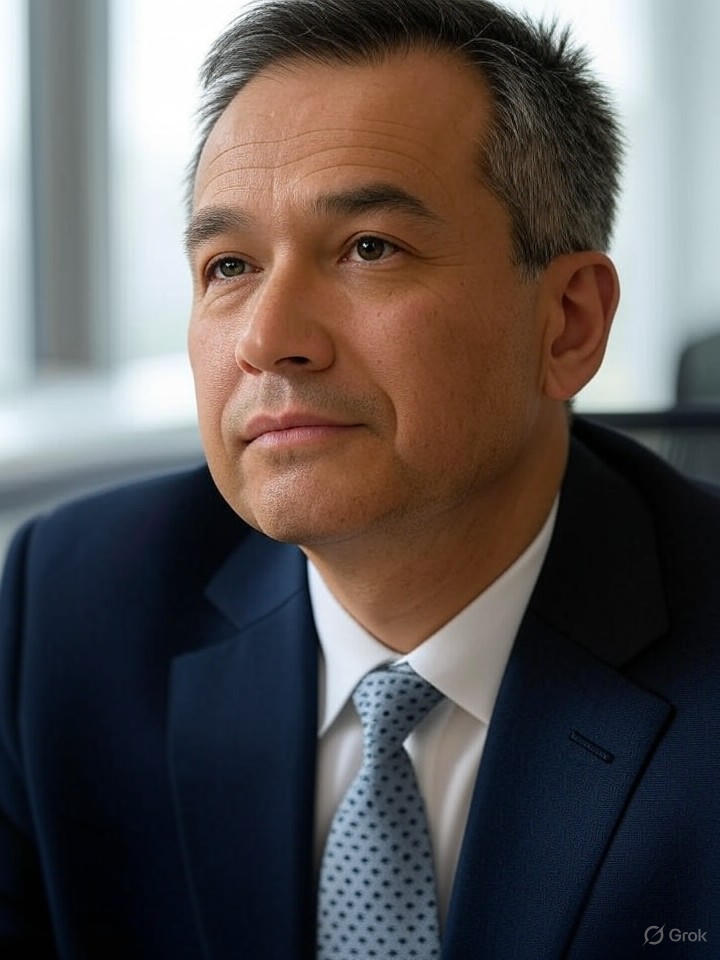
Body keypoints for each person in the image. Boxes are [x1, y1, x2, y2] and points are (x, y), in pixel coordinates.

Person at [1, 0, 718, 957]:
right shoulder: (73, 603)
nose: (268, 339)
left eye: (369, 248)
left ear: (569, 325)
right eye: (229, 265)